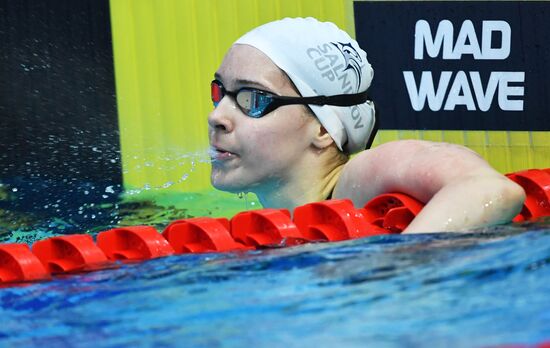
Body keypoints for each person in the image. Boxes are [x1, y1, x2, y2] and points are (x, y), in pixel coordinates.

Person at [207, 17, 525, 233]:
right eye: (220, 91)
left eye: (253, 98)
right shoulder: (269, 226)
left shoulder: (360, 183)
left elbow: (493, 189)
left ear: (322, 129)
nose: (217, 116)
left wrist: (398, 274)